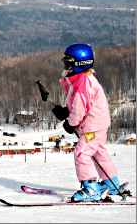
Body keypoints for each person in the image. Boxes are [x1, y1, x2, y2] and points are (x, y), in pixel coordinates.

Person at [52, 43, 121, 202]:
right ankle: (112, 184)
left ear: (79, 63)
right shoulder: (83, 79)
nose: (65, 65)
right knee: (99, 153)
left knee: (82, 153)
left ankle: (91, 188)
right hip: (96, 125)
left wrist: (71, 122)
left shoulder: (84, 81)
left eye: (68, 62)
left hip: (92, 127)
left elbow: (80, 107)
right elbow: (79, 105)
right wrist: (65, 112)